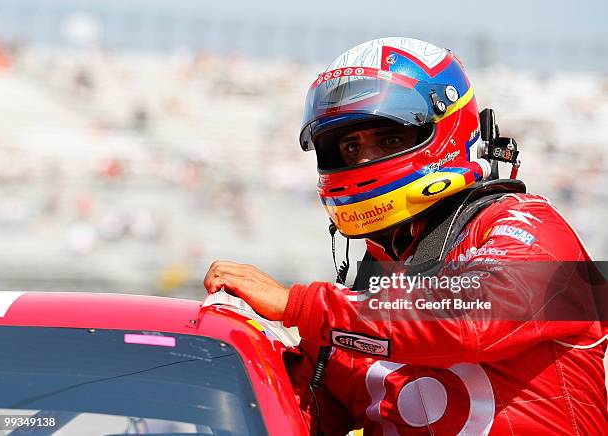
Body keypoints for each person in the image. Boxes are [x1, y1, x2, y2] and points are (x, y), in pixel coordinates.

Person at [204, 38, 607, 434]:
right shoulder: (357, 304)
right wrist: (234, 349)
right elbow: (286, 418)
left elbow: (469, 315)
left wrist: (299, 306)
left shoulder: (529, 223)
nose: (363, 159)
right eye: (349, 146)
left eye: (390, 138)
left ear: (445, 132)